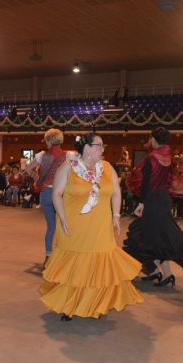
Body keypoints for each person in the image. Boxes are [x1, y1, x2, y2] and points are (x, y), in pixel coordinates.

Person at [40, 133, 143, 321]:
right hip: (74, 227)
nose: (103, 149)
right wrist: (61, 218)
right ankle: (69, 305)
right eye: (99, 145)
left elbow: (116, 192)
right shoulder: (68, 168)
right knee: (75, 268)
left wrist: (116, 215)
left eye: (103, 145)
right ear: (86, 147)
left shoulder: (106, 167)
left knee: (99, 268)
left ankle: (95, 304)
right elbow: (56, 194)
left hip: (100, 227)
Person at [123, 127, 183, 286]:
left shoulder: (150, 158)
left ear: (153, 139)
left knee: (146, 236)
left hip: (152, 201)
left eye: (150, 137)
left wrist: (141, 203)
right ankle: (162, 274)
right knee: (156, 237)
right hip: (163, 200)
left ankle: (157, 271)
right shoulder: (168, 158)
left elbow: (145, 184)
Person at [23, 129, 76, 265]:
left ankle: (48, 256)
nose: (45, 143)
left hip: (46, 194)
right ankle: (63, 256)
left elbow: (27, 170)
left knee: (51, 226)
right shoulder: (70, 155)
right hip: (62, 195)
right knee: (64, 224)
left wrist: (38, 178)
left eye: (45, 140)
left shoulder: (41, 155)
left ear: (49, 141)